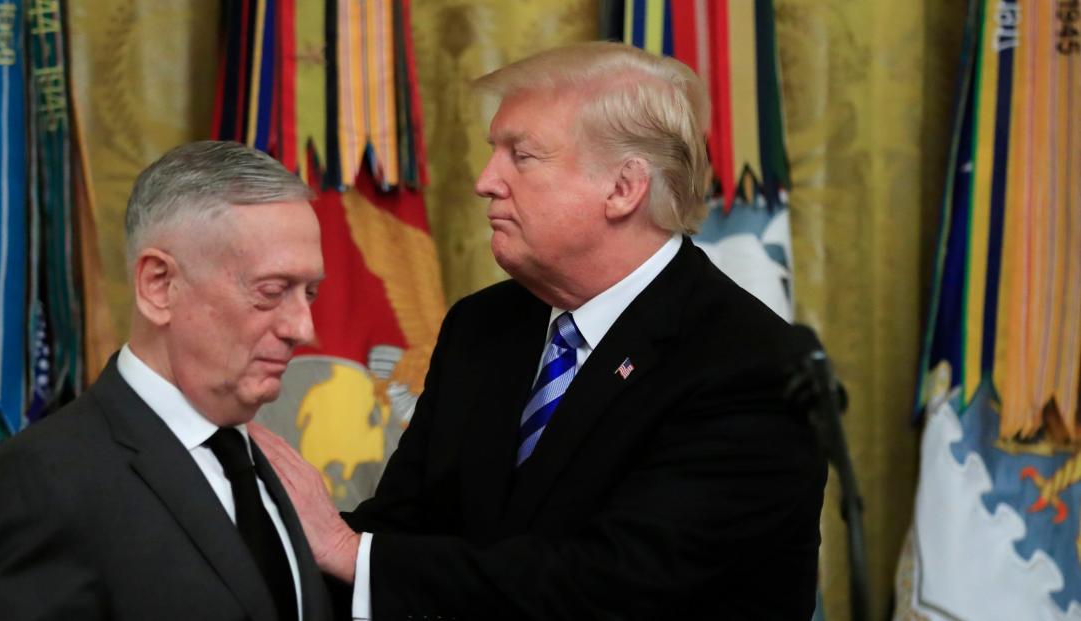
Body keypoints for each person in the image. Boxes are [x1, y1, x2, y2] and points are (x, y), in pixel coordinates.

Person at [252, 42, 827, 619]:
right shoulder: (483, 326)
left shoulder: (751, 368)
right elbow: (408, 526)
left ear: (623, 188)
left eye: (520, 156)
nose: (485, 181)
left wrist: (351, 553)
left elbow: (616, 585)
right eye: (492, 152)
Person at [0, 141, 332, 621]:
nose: (303, 328)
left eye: (309, 292)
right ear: (158, 286)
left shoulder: (270, 468)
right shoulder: (43, 481)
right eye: (271, 292)